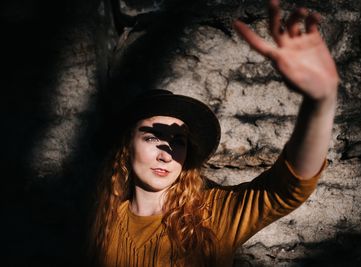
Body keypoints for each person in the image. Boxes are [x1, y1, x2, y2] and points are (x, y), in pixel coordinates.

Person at [86, 0, 339, 266]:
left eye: (178, 141)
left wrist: (320, 102)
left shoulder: (212, 215)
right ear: (126, 145)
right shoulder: (99, 223)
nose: (166, 155)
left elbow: (287, 188)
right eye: (152, 137)